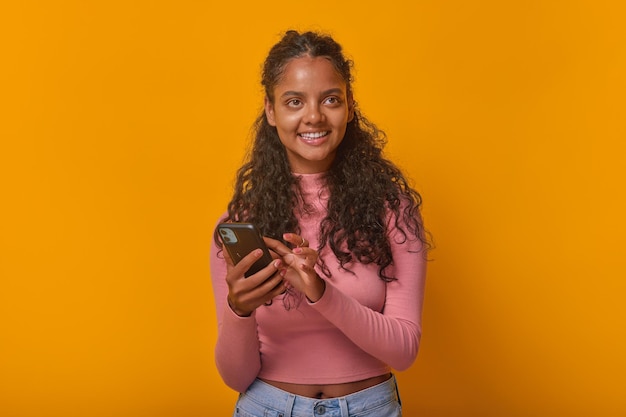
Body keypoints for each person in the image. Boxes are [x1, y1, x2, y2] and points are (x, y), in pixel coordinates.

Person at [210, 30, 429, 417]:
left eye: (330, 99)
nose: (314, 116)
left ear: (349, 107)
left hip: (370, 408)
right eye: (294, 101)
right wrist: (238, 310)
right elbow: (236, 377)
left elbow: (404, 350)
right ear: (271, 110)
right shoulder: (241, 222)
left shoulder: (393, 211)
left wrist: (320, 292)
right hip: (267, 407)